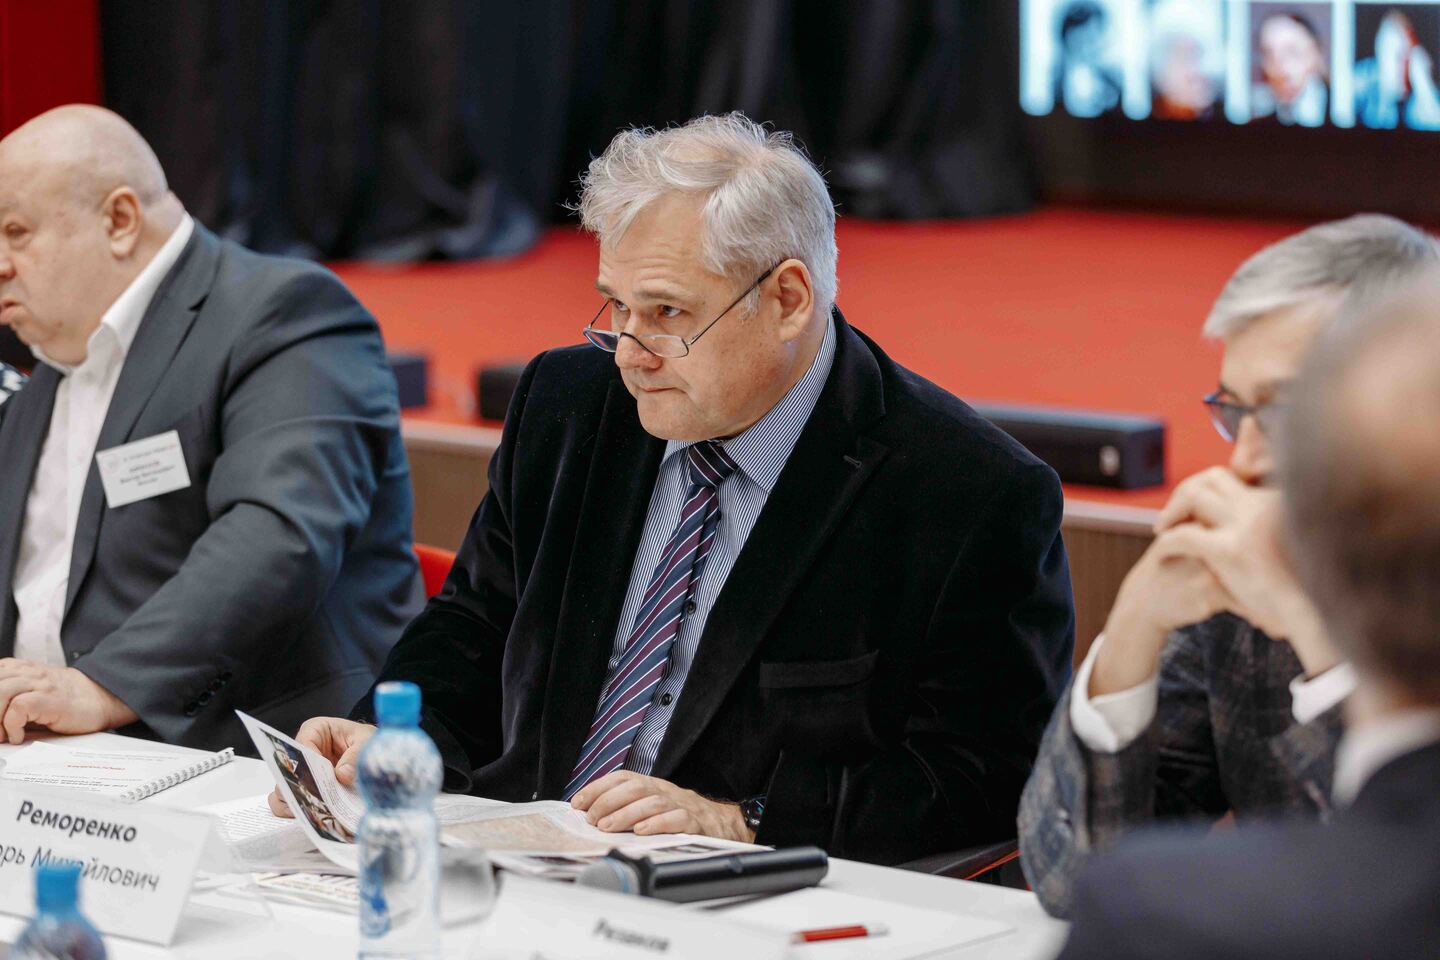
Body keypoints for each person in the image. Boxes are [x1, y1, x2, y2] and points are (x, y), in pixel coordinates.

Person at [271, 113, 1075, 862]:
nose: (629, 351)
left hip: (744, 902)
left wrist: (740, 820)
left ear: (788, 300)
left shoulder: (968, 494)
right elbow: (476, 625)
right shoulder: (568, 404)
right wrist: (393, 740)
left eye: (666, 313)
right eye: (616, 306)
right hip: (511, 859)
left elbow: (985, 779)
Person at [1019, 215, 1439, 916]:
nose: (1243, 460)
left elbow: (1414, 887)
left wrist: (1314, 634)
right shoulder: (1241, 588)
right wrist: (1131, 635)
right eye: (1235, 412)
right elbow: (1074, 887)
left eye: (1282, 414)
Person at [0, 106, 421, 753]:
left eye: (15, 232)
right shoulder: (44, 376)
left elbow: (279, 535)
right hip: (42, 752)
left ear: (119, 220)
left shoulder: (286, 316)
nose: (1, 264)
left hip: (244, 756)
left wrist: (102, 686)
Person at [1354, 9, 1440, 130]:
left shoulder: (1418, 95)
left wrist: (1423, 85)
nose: (1390, 63)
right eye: (1385, 50)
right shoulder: (1363, 77)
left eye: (1398, 55)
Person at [1252, 12, 1328, 127]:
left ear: (1316, 53)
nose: (1281, 68)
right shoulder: (1259, 126)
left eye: (1292, 52)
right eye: (1269, 55)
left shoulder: (1348, 109)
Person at [1054, 1, 1123, 118]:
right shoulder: (1054, 83)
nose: (1086, 46)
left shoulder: (1113, 83)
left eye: (1092, 37)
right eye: (1080, 38)